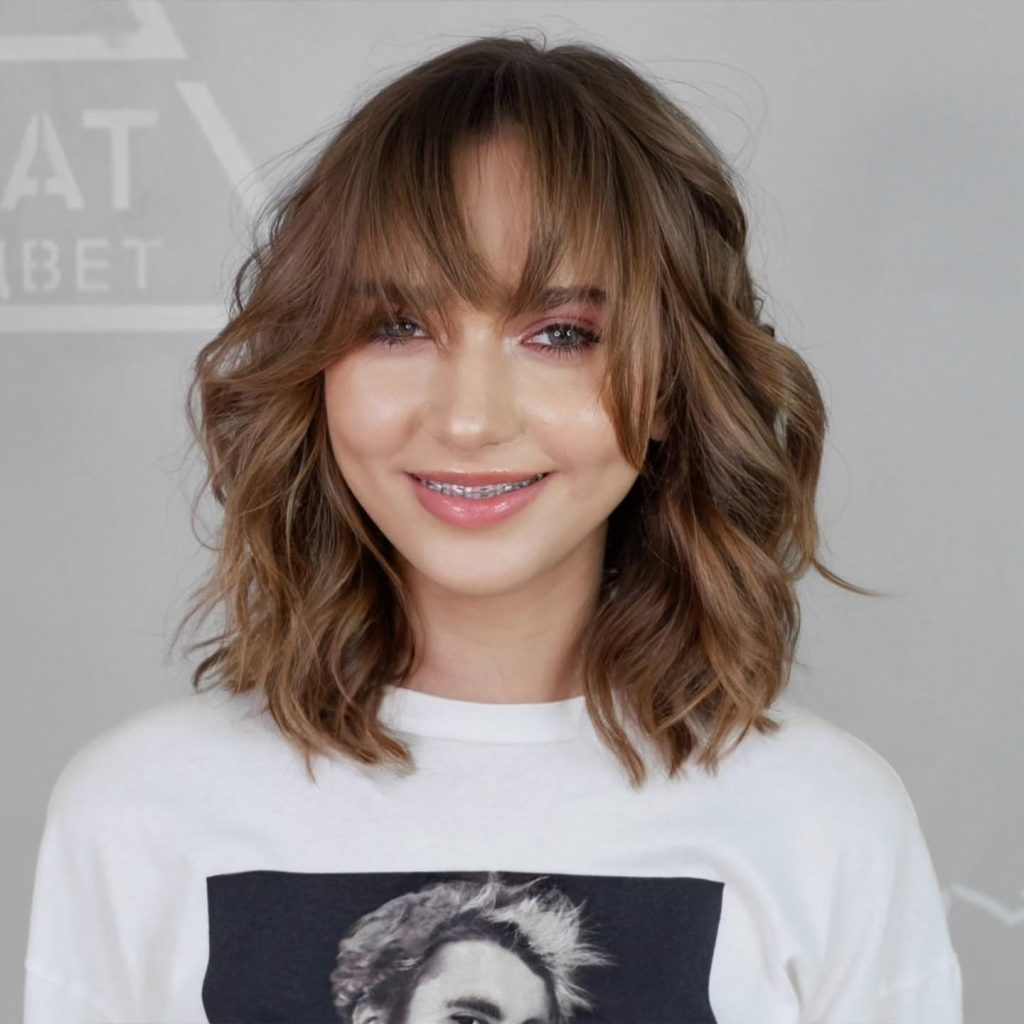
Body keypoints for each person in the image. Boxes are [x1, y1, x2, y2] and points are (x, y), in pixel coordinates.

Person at [23, 33, 962, 1024]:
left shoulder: (825, 821)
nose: (469, 419)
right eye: (397, 326)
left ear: (667, 393)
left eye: (561, 335)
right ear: (318, 369)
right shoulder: (139, 811)